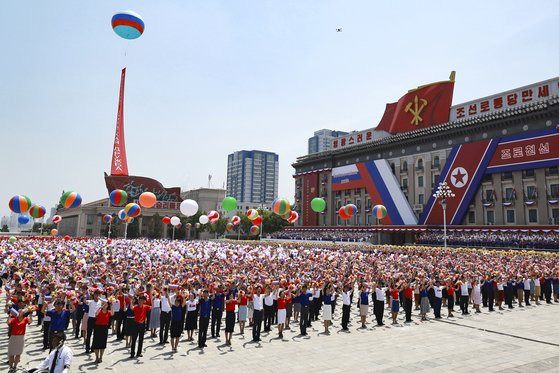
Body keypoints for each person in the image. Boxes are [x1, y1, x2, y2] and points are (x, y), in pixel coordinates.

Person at [7, 307, 32, 372]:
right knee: (11, 353)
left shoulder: (25, 319)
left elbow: (30, 322)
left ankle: (15, 366)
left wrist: (31, 315)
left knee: (18, 353)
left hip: (21, 337)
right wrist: (9, 316)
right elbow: (8, 322)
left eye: (21, 312)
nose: (20, 313)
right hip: (13, 337)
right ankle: (11, 367)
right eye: (19, 311)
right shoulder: (14, 319)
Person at [92, 299, 113, 364]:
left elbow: (112, 313)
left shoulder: (108, 312)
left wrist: (111, 305)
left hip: (104, 328)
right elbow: (96, 314)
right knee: (96, 343)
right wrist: (100, 307)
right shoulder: (99, 310)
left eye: (106, 304)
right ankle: (96, 357)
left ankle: (101, 357)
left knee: (102, 343)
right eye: (103, 304)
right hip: (97, 327)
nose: (104, 305)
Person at [85, 290, 102, 354]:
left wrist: (100, 298)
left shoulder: (100, 301)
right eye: (95, 294)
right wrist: (84, 296)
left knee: (96, 334)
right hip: (91, 319)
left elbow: (106, 302)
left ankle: (93, 347)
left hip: (97, 319)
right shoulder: (91, 301)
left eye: (98, 294)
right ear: (93, 295)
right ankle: (87, 348)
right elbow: (85, 301)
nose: (97, 296)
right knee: (89, 334)